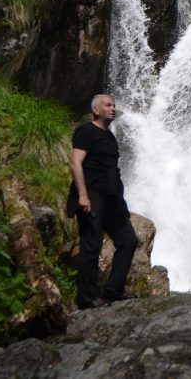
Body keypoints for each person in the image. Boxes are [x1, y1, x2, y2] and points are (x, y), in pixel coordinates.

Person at [67, 94, 138, 309]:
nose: (113, 108)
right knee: (91, 245)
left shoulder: (110, 136)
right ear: (96, 110)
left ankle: (113, 291)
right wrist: (82, 195)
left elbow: (113, 171)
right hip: (92, 194)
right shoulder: (86, 131)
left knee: (128, 239)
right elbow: (76, 163)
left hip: (112, 198)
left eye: (114, 105)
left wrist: (121, 203)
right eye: (108, 105)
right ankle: (86, 297)